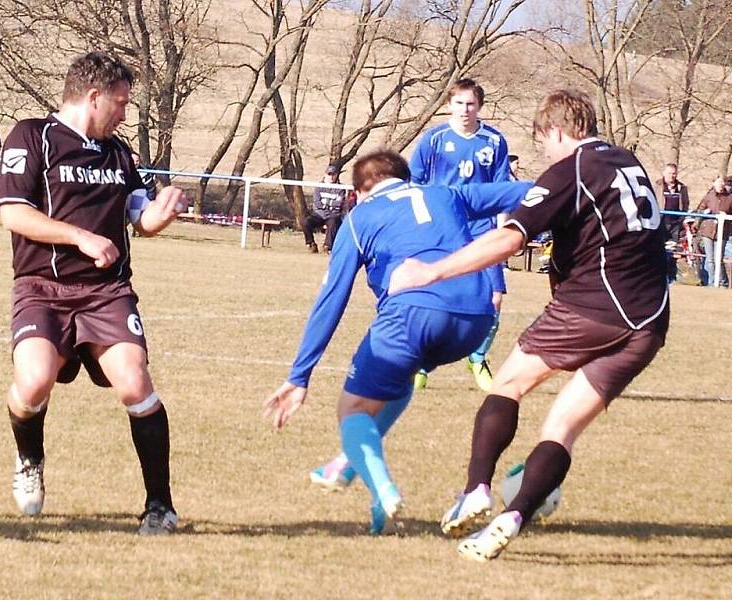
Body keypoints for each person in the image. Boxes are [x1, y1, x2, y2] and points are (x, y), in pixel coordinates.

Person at [389, 89, 669, 561]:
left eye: (543, 143)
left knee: (507, 384)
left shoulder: (569, 170)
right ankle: (511, 517)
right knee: (560, 427)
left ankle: (477, 489)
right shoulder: (626, 159)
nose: (544, 153)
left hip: (595, 306)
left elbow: (508, 239)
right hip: (651, 317)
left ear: (556, 131)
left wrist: (431, 271)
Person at [264, 149, 531, 533]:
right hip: (476, 317)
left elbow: (331, 299)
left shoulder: (359, 218)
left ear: (358, 192)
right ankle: (350, 469)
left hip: (414, 312)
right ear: (406, 179)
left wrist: (300, 374)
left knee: (351, 409)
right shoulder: (445, 194)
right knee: (401, 379)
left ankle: (383, 490)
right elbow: (523, 192)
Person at [0, 52, 188, 536]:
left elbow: (141, 219)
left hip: (106, 292)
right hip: (42, 287)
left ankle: (160, 507)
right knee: (34, 381)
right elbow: (14, 213)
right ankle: (30, 458)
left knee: (135, 382)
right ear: (94, 96)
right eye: (120, 103)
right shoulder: (31, 135)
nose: (124, 113)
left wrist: (160, 216)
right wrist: (79, 237)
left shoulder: (119, 154)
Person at [408, 78, 511, 393]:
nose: (465, 109)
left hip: (482, 229)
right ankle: (423, 365)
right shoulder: (434, 139)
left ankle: (478, 358)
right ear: (449, 104)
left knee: (494, 298)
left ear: (479, 106)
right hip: (444, 227)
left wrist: (505, 230)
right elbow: (414, 182)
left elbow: (502, 190)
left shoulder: (494, 141)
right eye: (459, 103)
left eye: (471, 104)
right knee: (437, 297)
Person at [654, 163, 689, 283]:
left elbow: (685, 204)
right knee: (660, 249)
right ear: (664, 173)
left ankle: (672, 277)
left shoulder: (682, 188)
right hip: (661, 222)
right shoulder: (657, 186)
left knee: (674, 251)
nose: (672, 176)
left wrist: (681, 219)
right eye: (669, 173)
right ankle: (659, 276)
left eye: (674, 173)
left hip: (675, 223)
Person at [694, 175, 732, 287]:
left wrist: (727, 216)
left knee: (718, 259)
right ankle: (711, 284)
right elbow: (699, 210)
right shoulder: (708, 196)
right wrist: (703, 214)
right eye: (718, 183)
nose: (720, 185)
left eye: (722, 183)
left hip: (722, 232)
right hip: (708, 231)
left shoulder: (729, 198)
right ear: (714, 183)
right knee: (710, 260)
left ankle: (723, 282)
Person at [302, 165, 346, 253]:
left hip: (333, 215)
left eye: (334, 174)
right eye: (329, 174)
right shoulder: (319, 187)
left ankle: (327, 246)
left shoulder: (341, 188)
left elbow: (338, 203)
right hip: (319, 214)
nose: (332, 177)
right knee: (306, 222)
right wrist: (328, 206)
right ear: (325, 175)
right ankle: (311, 244)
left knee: (333, 224)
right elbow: (317, 202)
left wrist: (327, 205)